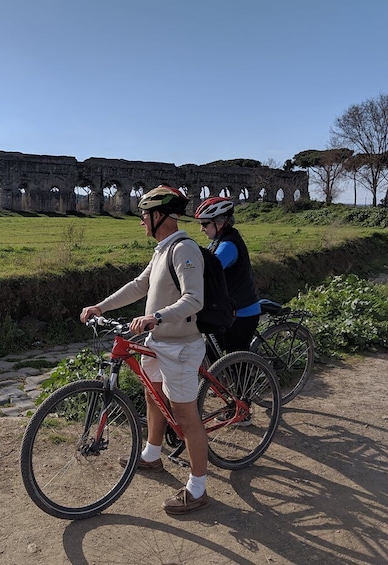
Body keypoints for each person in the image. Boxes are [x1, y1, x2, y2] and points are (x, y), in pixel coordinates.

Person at [80, 185, 210, 515]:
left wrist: (157, 317)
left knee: (185, 415)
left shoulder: (184, 250)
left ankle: (198, 487)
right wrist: (101, 306)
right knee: (153, 395)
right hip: (158, 342)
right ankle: (152, 455)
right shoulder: (163, 250)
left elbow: (195, 299)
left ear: (159, 216)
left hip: (181, 346)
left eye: (144, 216)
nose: (141, 222)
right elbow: (140, 286)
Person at [194, 196, 261, 353]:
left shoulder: (228, 245)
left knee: (235, 365)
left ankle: (254, 376)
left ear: (219, 222)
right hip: (227, 309)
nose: (201, 229)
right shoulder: (218, 240)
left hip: (242, 312)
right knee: (212, 357)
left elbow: (208, 273)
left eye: (204, 224)